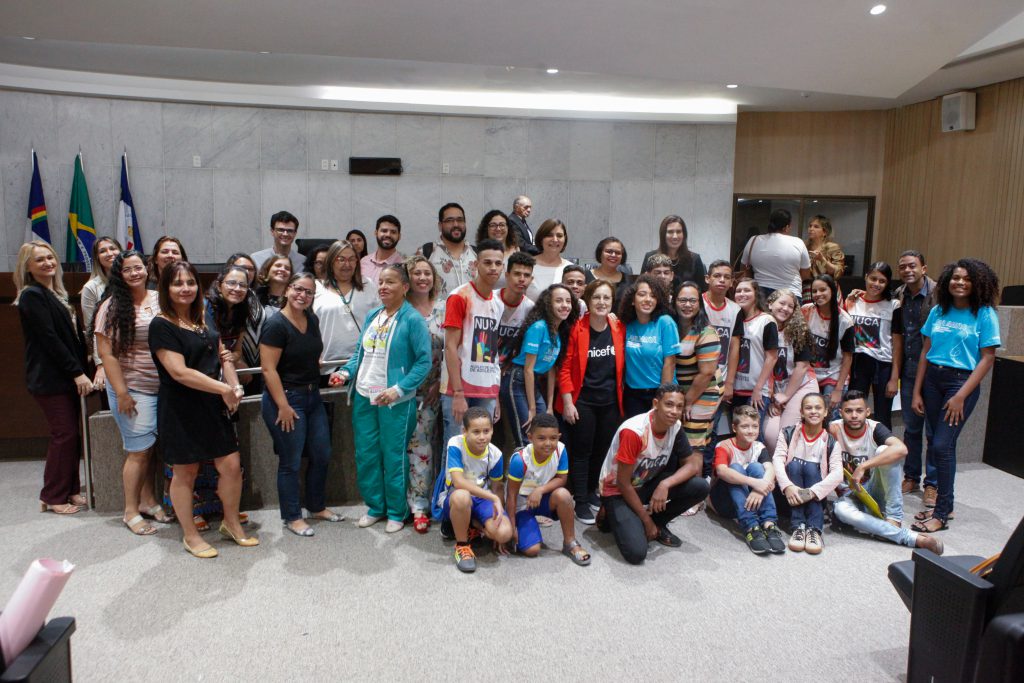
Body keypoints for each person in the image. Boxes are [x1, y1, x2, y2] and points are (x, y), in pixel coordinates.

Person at [149, 261, 257, 557]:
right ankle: (190, 535)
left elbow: (224, 355)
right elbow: (179, 372)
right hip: (180, 408)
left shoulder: (201, 318)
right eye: (177, 283)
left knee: (231, 466)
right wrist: (223, 389)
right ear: (166, 288)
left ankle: (231, 524)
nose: (185, 288)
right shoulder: (161, 324)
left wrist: (234, 386)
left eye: (190, 282)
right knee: (185, 472)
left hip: (211, 404)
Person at [334, 265, 432, 533]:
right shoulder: (373, 315)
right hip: (365, 394)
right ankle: (376, 507)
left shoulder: (412, 320)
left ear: (405, 287)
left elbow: (424, 362)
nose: (383, 287)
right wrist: (346, 372)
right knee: (366, 454)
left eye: (390, 282)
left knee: (393, 456)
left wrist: (398, 389)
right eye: (381, 282)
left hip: (394, 400)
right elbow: (360, 352)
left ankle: (397, 512)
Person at [910, 259, 1001, 533]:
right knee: (935, 442)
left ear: (978, 284)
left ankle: (940, 512)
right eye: (956, 278)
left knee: (942, 445)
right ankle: (945, 505)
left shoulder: (984, 313)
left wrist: (961, 396)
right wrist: (916, 391)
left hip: (961, 382)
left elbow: (987, 358)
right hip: (932, 380)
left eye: (967, 279)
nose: (960, 283)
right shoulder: (939, 310)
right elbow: (925, 351)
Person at [260, 272, 344, 538]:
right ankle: (292, 516)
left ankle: (316, 507)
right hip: (286, 399)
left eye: (309, 292)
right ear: (287, 290)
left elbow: (312, 351)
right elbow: (268, 369)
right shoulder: (276, 325)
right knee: (291, 461)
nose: (302, 295)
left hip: (312, 396)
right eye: (298, 289)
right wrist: (283, 406)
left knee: (322, 454)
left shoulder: (311, 318)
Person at [93, 251, 168, 534]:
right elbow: (107, 354)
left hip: (163, 385)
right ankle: (130, 511)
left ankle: (148, 501)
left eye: (138, 267)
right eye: (127, 270)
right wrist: (122, 392)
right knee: (139, 451)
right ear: (119, 275)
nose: (135, 273)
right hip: (132, 388)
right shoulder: (111, 307)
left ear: (147, 269)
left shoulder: (159, 297)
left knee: (150, 448)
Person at [14, 241, 91, 515]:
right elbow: (50, 339)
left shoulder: (55, 293)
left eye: (50, 257)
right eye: (39, 260)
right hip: (50, 379)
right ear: (28, 267)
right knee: (64, 434)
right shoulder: (31, 295)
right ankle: (52, 495)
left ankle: (70, 489)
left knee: (71, 434)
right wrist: (77, 372)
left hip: (64, 377)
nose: (47, 263)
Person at [596, 384, 711, 565]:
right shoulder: (634, 432)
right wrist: (646, 521)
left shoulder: (675, 426)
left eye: (679, 406)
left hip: (646, 482)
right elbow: (623, 483)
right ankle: (609, 513)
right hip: (618, 490)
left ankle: (658, 522)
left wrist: (665, 484)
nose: (674, 411)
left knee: (700, 486)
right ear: (656, 404)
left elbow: (692, 465)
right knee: (636, 553)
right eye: (669, 404)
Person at [830, 391, 944, 554]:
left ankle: (894, 517)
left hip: (875, 488)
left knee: (885, 450)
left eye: (859, 411)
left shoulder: (875, 428)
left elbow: (902, 449)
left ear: (867, 412)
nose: (854, 415)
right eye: (848, 411)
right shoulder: (834, 428)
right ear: (841, 413)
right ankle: (910, 537)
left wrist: (863, 467)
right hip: (850, 495)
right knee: (840, 510)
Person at [557, 279, 625, 524]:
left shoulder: (618, 327)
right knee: (582, 452)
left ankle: (591, 491)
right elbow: (565, 368)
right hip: (583, 401)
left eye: (606, 298)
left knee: (602, 450)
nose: (602, 302)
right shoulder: (577, 328)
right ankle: (581, 501)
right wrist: (567, 402)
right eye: (597, 297)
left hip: (610, 402)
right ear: (587, 300)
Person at [439, 238, 505, 446]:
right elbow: (450, 346)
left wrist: (495, 394)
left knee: (481, 450)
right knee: (455, 448)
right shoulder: (459, 296)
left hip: (487, 389)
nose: (493, 268)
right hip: (459, 389)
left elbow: (493, 352)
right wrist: (458, 393)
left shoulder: (498, 302)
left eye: (498, 263)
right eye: (487, 262)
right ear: (476, 264)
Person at [436, 407, 514, 573]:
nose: (482, 437)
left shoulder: (496, 454)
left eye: (486, 431)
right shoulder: (455, 444)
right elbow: (458, 482)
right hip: (456, 497)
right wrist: (493, 498)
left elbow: (497, 488)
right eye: (476, 432)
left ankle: (472, 524)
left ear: (492, 430)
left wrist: (500, 514)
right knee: (462, 496)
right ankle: (462, 546)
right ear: (464, 431)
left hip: (481, 499)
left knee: (504, 533)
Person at [506, 414, 590, 565]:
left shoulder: (560, 450)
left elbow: (562, 479)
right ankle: (525, 524)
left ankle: (570, 543)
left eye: (553, 438)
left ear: (559, 437)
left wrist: (540, 490)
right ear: (530, 437)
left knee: (564, 495)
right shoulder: (520, 460)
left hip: (542, 498)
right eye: (541, 438)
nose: (548, 443)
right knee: (532, 550)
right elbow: (511, 496)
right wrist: (512, 528)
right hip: (521, 506)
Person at [501, 283, 578, 447]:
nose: (565, 305)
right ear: (548, 304)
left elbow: (552, 370)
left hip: (533, 382)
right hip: (517, 379)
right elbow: (528, 369)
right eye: (559, 301)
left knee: (545, 431)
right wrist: (532, 408)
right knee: (527, 436)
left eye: (568, 301)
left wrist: (549, 406)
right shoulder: (539, 327)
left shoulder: (558, 332)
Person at [403, 256, 447, 533]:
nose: (422, 278)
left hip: (444, 386)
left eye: (427, 273)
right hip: (413, 392)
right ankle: (419, 506)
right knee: (421, 448)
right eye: (416, 273)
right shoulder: (401, 310)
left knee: (447, 446)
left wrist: (440, 381)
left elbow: (454, 347)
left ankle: (444, 501)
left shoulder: (444, 308)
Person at [708, 405, 785, 555]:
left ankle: (769, 523)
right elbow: (722, 471)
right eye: (745, 426)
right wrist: (755, 483)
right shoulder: (723, 446)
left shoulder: (759, 446)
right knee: (735, 468)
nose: (750, 431)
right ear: (734, 428)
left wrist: (759, 490)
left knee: (757, 467)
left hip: (750, 500)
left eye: (755, 426)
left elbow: (770, 469)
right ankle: (751, 527)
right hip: (723, 502)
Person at [891, 250, 937, 496]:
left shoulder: (939, 294)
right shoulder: (899, 294)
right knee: (911, 428)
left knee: (934, 431)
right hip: (909, 370)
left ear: (924, 268)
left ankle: (932, 484)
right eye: (903, 267)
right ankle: (911, 477)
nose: (907, 270)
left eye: (912, 266)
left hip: (935, 371)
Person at [772, 393, 842, 555]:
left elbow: (838, 474)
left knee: (811, 468)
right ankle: (798, 527)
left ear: (825, 412)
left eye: (818, 408)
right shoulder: (787, 433)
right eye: (808, 408)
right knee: (795, 464)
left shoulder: (832, 442)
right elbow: (777, 460)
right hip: (788, 496)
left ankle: (813, 529)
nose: (813, 411)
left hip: (814, 497)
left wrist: (812, 492)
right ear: (802, 412)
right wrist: (787, 486)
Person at [673, 281, 724, 465]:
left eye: (693, 301)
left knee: (692, 446)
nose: (687, 305)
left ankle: (695, 483)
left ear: (699, 304)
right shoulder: (673, 326)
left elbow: (706, 373)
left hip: (702, 393)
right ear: (674, 301)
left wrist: (687, 402)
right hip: (684, 394)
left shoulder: (706, 332)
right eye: (683, 300)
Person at [763, 289, 819, 453]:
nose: (785, 308)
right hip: (775, 390)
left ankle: (790, 468)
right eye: (782, 303)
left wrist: (785, 396)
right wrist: (773, 397)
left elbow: (802, 366)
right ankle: (778, 467)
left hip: (801, 386)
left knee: (786, 434)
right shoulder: (762, 326)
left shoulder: (799, 331)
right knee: (771, 436)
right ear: (770, 304)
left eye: (790, 306)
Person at [314, 239, 379, 380]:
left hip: (363, 364)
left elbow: (380, 321)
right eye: (341, 259)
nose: (347, 264)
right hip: (326, 365)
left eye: (351, 259)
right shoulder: (316, 288)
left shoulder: (368, 285)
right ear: (331, 261)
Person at [844, 261, 898, 428]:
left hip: (883, 364)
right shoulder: (852, 301)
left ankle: (884, 445)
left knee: (883, 415)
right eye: (873, 279)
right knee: (855, 410)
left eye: (882, 281)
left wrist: (894, 378)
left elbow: (898, 344)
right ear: (866, 277)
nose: (876, 284)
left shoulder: (894, 305)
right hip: (858, 363)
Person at [619, 274, 681, 418]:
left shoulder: (665, 322)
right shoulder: (627, 325)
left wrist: (663, 397)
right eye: (642, 294)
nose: (648, 299)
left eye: (653, 296)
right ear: (632, 300)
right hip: (632, 394)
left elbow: (670, 363)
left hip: (659, 392)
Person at [701, 260, 743, 458]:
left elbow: (735, 345)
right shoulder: (698, 303)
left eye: (726, 277)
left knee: (712, 428)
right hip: (696, 376)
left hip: (719, 380)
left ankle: (707, 471)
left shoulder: (735, 310)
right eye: (717, 276)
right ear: (707, 278)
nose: (722, 280)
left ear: (732, 282)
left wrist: (729, 382)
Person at [802, 274, 854, 415]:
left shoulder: (845, 321)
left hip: (833, 376)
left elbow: (848, 357)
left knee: (829, 417)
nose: (818, 294)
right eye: (814, 291)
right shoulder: (806, 311)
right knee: (809, 416)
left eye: (823, 290)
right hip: (809, 374)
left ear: (832, 290)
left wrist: (838, 389)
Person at [731, 277, 778, 429]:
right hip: (736, 388)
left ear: (756, 294)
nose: (742, 294)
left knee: (753, 433)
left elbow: (772, 357)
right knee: (739, 432)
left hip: (757, 390)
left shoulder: (766, 320)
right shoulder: (734, 319)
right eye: (738, 291)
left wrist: (758, 388)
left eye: (747, 290)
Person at [80, 236, 122, 390]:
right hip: (109, 355)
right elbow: (91, 330)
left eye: (113, 248)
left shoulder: (134, 278)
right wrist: (100, 364)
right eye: (103, 251)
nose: (109, 253)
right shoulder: (91, 288)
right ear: (97, 258)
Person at [739, 209, 810, 300]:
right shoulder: (798, 242)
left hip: (760, 293)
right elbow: (805, 275)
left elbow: (744, 268)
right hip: (790, 293)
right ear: (787, 227)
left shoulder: (754, 240)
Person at [225, 253, 265, 391]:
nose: (247, 272)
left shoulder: (254, 294)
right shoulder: (233, 296)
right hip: (235, 363)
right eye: (242, 267)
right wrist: (238, 361)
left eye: (251, 268)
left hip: (257, 362)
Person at [422, 203, 477, 298]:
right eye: (449, 221)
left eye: (460, 220)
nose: (456, 224)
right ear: (440, 225)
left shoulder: (477, 254)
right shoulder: (427, 253)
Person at [641, 215, 707, 289]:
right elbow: (642, 287)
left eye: (678, 232)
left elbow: (702, 290)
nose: (675, 236)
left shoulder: (695, 259)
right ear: (663, 235)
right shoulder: (650, 257)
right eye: (670, 232)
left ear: (684, 235)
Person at [803, 215, 845, 299]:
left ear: (824, 232)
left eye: (816, 227)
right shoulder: (804, 246)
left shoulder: (832, 247)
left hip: (827, 288)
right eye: (810, 226)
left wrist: (822, 260)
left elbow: (838, 271)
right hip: (808, 288)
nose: (811, 229)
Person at [528, 219, 573, 297]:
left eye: (559, 236)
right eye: (549, 235)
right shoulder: (527, 265)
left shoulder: (571, 268)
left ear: (565, 239)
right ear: (541, 239)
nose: (555, 240)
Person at [360, 214, 404, 286]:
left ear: (399, 236)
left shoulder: (403, 266)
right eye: (384, 231)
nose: (388, 235)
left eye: (393, 232)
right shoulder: (364, 262)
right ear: (376, 233)